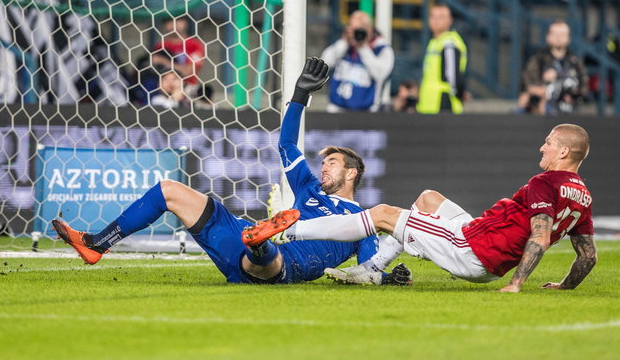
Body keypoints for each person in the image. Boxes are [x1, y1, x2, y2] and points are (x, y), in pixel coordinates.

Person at [51, 57, 410, 285]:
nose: (323, 167)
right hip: (236, 237)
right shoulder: (309, 189)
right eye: (323, 162)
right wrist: (300, 96)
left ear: (352, 174)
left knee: (269, 257)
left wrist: (390, 277)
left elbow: (367, 269)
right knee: (168, 190)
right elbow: (286, 145)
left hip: (286, 265)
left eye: (332, 163)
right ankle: (98, 244)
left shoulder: (363, 219)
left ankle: (260, 245)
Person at [244, 124, 597, 293]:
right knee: (428, 197)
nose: (542, 147)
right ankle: (373, 267)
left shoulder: (543, 183)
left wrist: (517, 284)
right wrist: (565, 287)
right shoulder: (582, 195)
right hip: (481, 240)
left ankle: (292, 229)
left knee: (382, 213)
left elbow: (540, 234)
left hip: (471, 250)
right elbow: (588, 257)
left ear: (564, 152)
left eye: (549, 142)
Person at [321, 10, 394, 112]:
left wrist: (363, 47)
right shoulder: (344, 47)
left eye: (360, 29)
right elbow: (325, 62)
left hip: (367, 111)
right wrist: (344, 42)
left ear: (369, 29)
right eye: (352, 28)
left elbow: (380, 74)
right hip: (337, 108)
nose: (355, 33)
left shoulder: (381, 49)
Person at [518, 21, 588, 114]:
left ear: (569, 38)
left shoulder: (575, 62)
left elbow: (584, 86)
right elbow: (527, 86)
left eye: (562, 34)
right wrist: (543, 80)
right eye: (555, 34)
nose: (558, 38)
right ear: (548, 37)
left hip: (570, 113)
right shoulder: (538, 60)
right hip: (544, 112)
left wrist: (576, 95)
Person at [418, 4, 467, 114]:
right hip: (428, 105)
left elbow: (452, 76)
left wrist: (458, 94)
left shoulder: (449, 43)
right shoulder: (434, 42)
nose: (436, 21)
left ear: (450, 21)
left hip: (443, 104)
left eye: (440, 17)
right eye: (433, 17)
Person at [153, 16, 206, 97]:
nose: (174, 24)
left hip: (187, 91)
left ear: (186, 23)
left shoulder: (195, 45)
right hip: (162, 92)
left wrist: (163, 61)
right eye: (170, 21)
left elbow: (188, 71)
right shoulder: (161, 46)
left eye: (178, 20)